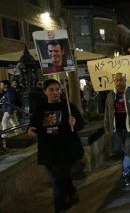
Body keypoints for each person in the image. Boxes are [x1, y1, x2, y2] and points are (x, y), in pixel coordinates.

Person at [27, 79, 84, 212]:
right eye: (51, 90)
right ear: (45, 92)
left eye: (57, 89)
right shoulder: (40, 109)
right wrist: (30, 131)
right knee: (61, 175)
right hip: (48, 151)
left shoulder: (69, 107)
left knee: (57, 179)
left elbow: (81, 124)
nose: (55, 92)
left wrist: (74, 123)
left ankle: (59, 208)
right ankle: (72, 193)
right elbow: (32, 125)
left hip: (66, 150)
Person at [104, 73, 130, 188]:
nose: (119, 83)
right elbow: (107, 113)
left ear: (125, 80)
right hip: (117, 130)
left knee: (127, 152)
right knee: (126, 150)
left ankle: (127, 175)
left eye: (121, 80)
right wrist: (107, 127)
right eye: (116, 80)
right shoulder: (111, 95)